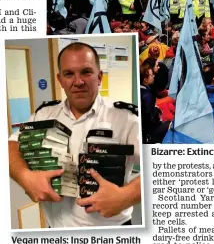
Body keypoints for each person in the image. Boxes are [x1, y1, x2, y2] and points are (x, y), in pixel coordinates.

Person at [9, 43, 141, 227]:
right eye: (69, 74)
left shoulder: (126, 119)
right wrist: (25, 177)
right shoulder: (43, 115)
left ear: (99, 76)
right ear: (60, 79)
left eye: (86, 72)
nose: (78, 81)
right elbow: (11, 145)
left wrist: (125, 197)